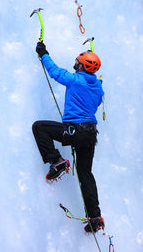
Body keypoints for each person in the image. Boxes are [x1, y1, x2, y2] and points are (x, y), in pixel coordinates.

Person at [32, 41, 105, 233]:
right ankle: (95, 217)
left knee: (40, 128)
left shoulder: (75, 80)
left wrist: (43, 53)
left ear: (82, 65)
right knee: (85, 174)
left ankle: (57, 161)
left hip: (75, 130)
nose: (75, 62)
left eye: (77, 61)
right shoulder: (98, 88)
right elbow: (96, 103)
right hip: (90, 135)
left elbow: (55, 72)